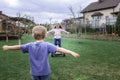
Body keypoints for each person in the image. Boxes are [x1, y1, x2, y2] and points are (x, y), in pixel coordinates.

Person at [2, 26, 80, 80]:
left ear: (33, 35)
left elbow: (19, 47)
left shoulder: (29, 45)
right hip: (45, 72)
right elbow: (59, 49)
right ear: (45, 35)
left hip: (34, 72)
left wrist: (8, 47)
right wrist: (70, 52)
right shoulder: (47, 45)